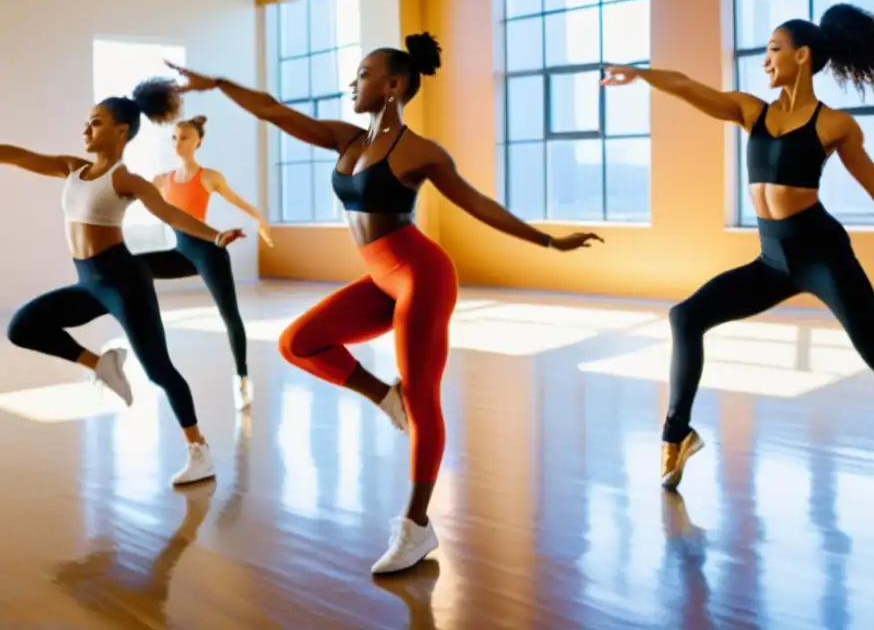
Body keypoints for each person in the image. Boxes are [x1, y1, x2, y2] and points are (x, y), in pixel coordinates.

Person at [166, 31, 603, 573]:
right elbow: (275, 112)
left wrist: (549, 241)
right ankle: (383, 398)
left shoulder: (419, 152)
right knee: (296, 343)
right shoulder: (347, 140)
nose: (354, 82)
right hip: (380, 277)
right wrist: (217, 84)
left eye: (365, 74)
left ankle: (417, 525)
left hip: (421, 274)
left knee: (423, 393)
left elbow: (479, 204)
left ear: (394, 85)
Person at [602, 3, 874, 516]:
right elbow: (687, 85)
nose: (765, 60)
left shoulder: (834, 125)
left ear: (802, 56)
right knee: (685, 316)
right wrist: (640, 75)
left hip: (824, 257)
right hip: (772, 262)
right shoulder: (753, 112)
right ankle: (677, 433)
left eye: (773, 50)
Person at [3, 78, 244, 487]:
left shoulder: (126, 180)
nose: (85, 130)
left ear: (120, 131)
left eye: (95, 123)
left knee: (159, 370)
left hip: (123, 281)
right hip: (89, 281)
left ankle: (198, 449)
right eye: (86, 123)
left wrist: (214, 235)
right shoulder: (71, 168)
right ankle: (101, 364)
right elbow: (16, 155)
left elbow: (171, 215)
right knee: (22, 326)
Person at [140, 114, 271, 411]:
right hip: (180, 254)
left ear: (198, 141)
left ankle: (241, 379)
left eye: (184, 137)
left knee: (231, 317)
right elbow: (129, 195)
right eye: (174, 137)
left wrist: (259, 219)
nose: (178, 143)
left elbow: (238, 201)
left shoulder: (210, 177)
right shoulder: (161, 180)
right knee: (132, 266)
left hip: (209, 253)